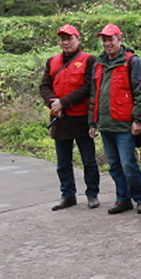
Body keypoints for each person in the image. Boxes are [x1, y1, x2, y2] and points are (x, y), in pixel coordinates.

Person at [89, 24, 141, 214]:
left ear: (119, 40)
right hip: (106, 124)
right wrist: (92, 122)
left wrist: (138, 119)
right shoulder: (98, 64)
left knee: (128, 164)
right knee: (114, 165)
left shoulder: (132, 62)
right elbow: (95, 94)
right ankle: (122, 198)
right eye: (104, 40)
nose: (107, 43)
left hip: (125, 123)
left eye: (111, 39)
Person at [38, 24, 100, 211]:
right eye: (62, 39)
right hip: (60, 118)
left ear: (78, 39)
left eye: (69, 38)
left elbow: (88, 87)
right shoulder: (52, 61)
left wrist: (63, 102)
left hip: (81, 118)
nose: (65, 42)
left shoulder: (89, 60)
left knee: (89, 160)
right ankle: (68, 195)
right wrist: (53, 103)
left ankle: (92, 194)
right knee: (63, 162)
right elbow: (44, 86)